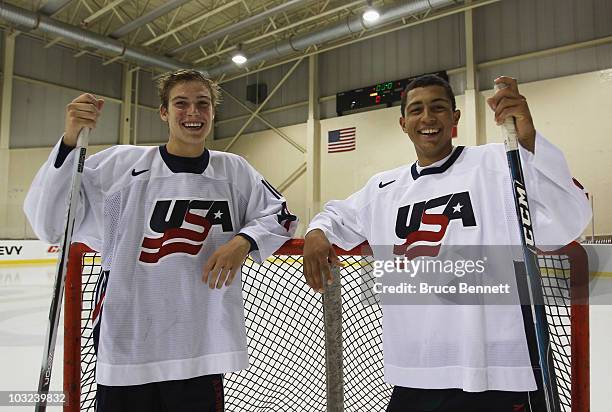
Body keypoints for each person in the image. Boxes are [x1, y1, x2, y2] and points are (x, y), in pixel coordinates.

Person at [303, 74, 590, 411]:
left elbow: (567, 221)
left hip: (495, 369)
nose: (427, 118)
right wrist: (316, 233)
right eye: (417, 110)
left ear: (455, 117)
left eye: (438, 108)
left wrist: (529, 142)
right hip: (416, 369)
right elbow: (337, 215)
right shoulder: (383, 188)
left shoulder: (498, 163)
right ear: (403, 123)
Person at [24, 69, 297, 411]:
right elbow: (52, 223)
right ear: (164, 112)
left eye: (203, 104)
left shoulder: (235, 171)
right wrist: (68, 140)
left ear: (213, 112)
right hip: (127, 346)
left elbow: (282, 217)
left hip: (198, 351)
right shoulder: (120, 166)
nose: (193, 113)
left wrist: (243, 241)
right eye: (181, 103)